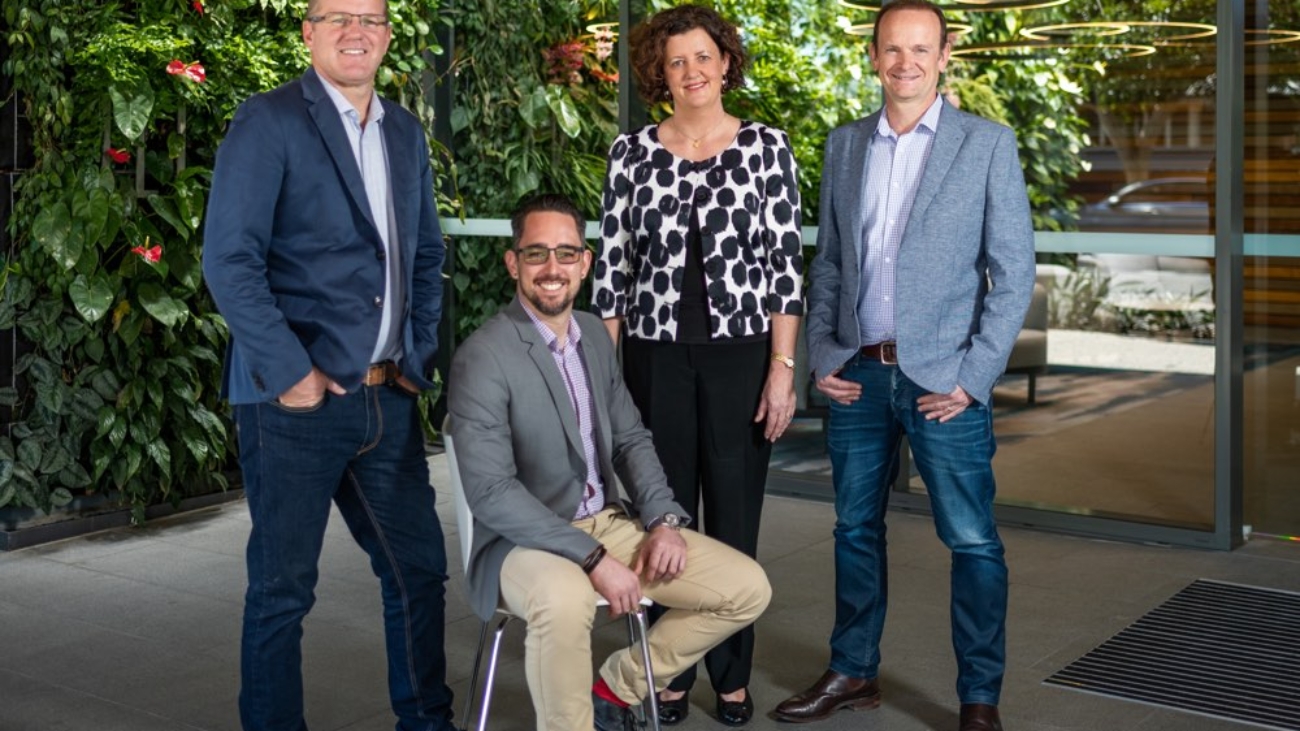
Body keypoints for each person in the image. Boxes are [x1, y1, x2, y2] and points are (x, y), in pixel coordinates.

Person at [771, 2, 1035, 730]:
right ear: (873, 56)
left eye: (921, 48)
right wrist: (822, 352)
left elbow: (1013, 273)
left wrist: (971, 376)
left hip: (943, 380)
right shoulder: (845, 145)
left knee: (972, 539)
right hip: (858, 372)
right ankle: (853, 669)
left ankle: (980, 695)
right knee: (855, 528)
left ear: (945, 54)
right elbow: (827, 263)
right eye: (893, 48)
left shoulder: (986, 144)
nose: (906, 62)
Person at [201, 0, 454, 729]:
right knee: (283, 591)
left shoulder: (404, 131)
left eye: (370, 18)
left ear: (386, 36)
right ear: (307, 31)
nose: (355, 30)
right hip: (292, 405)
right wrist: (290, 373)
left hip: (388, 397)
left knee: (420, 573)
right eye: (336, 15)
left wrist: (418, 352)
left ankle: (426, 720)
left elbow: (426, 256)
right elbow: (229, 259)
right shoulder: (268, 120)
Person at [448, 193, 772, 731]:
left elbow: (631, 438)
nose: (552, 269)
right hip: (521, 540)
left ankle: (616, 686)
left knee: (746, 588)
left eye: (566, 253)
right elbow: (491, 493)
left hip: (607, 523)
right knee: (565, 596)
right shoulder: (483, 356)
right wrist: (593, 558)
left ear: (586, 262)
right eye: (536, 254)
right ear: (513, 262)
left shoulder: (594, 335)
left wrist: (664, 519)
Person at [592, 5, 803, 725]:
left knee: (736, 520)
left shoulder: (767, 149)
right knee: (664, 520)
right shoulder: (631, 155)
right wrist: (608, 376)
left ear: (724, 62)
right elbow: (613, 274)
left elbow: (784, 269)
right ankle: (671, 671)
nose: (691, 72)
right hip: (653, 358)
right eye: (676, 61)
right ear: (661, 72)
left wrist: (782, 366)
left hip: (743, 356)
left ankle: (733, 673)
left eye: (702, 57)